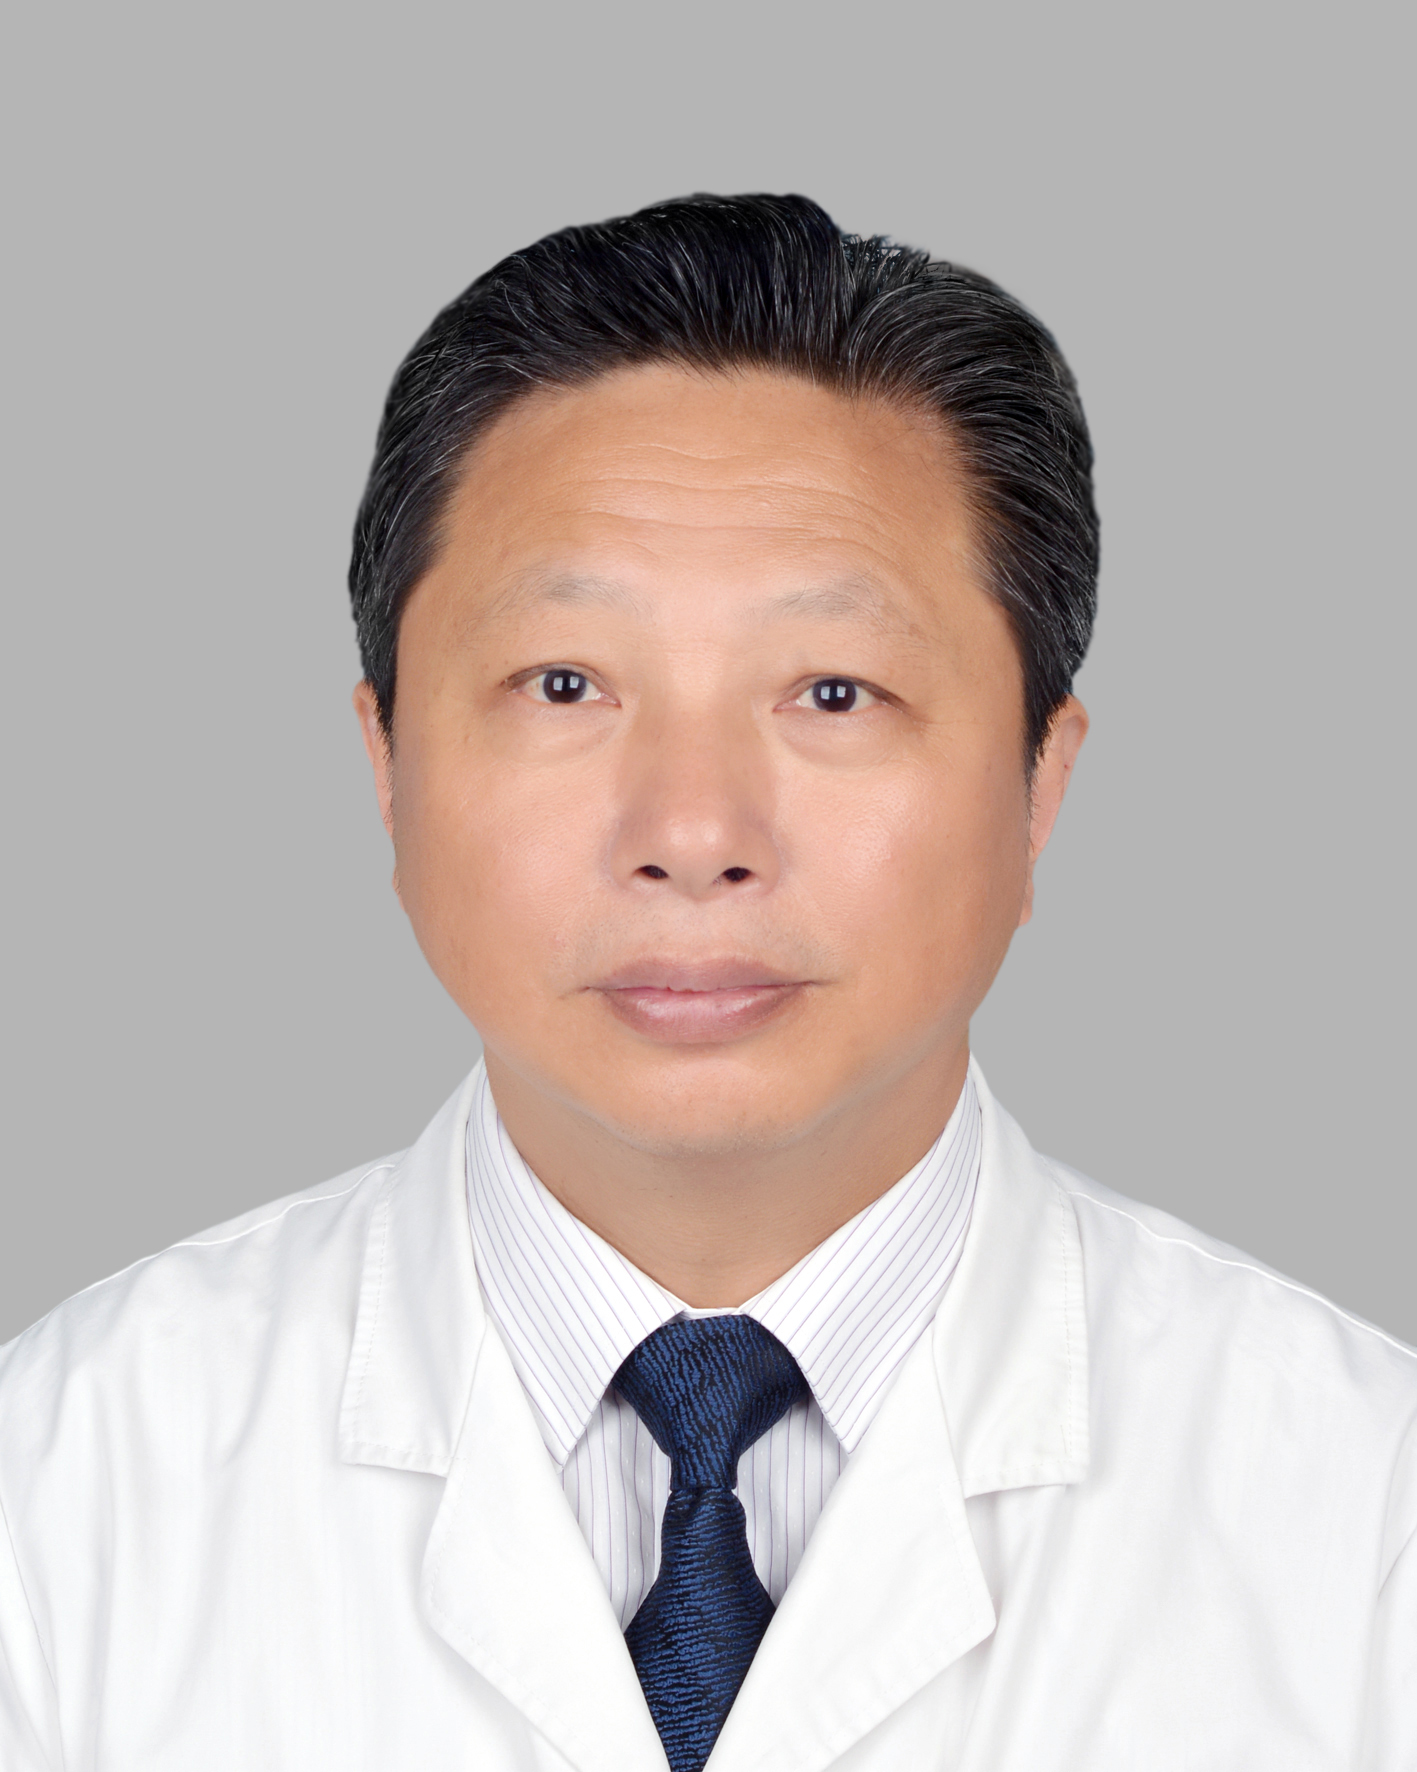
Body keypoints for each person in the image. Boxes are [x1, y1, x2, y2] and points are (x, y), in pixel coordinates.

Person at [0, 193, 1411, 1771]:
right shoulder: (60, 1495)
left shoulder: (1362, 1521)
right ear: (386, 765)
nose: (691, 835)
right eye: (563, 683)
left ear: (1039, 785)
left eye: (832, 692)